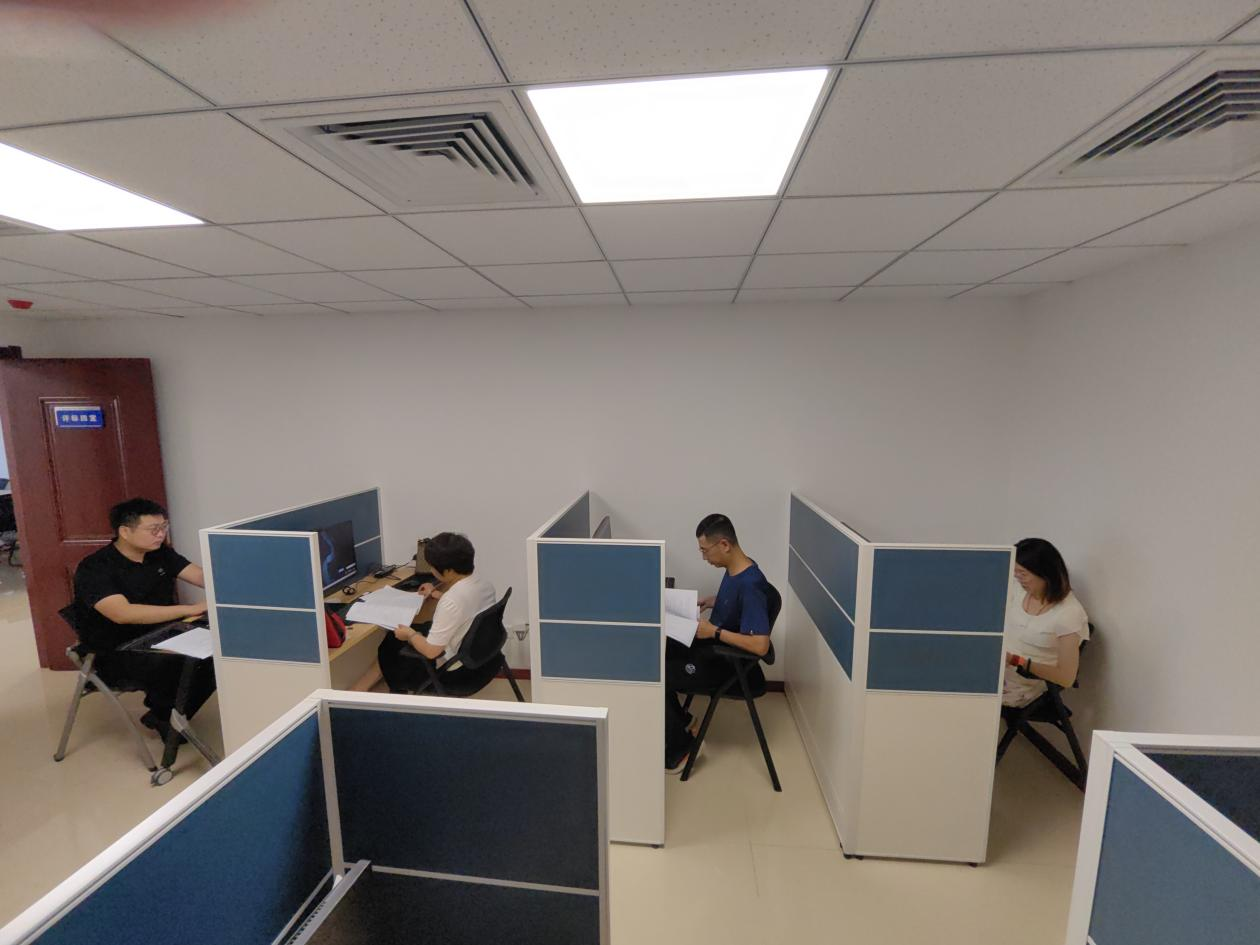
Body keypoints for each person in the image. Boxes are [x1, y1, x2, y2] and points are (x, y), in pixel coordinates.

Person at [73, 498, 216, 741]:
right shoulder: (95, 567)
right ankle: (165, 714)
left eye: (164, 527)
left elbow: (202, 577)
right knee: (184, 663)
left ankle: (166, 714)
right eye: (153, 529)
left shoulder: (160, 554)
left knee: (218, 653)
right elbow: (122, 614)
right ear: (125, 531)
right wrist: (190, 608)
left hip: (164, 633)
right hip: (117, 649)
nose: (161, 535)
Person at [664, 514, 772, 772]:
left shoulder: (751, 585)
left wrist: (714, 632)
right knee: (661, 652)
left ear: (724, 544)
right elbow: (737, 605)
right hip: (713, 649)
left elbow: (761, 646)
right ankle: (683, 721)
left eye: (705, 550)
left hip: (727, 664)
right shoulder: (739, 568)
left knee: (658, 674)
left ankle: (681, 750)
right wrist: (714, 600)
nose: (704, 557)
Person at [352, 532, 496, 693]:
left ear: (448, 571)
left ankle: (375, 690)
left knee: (392, 643)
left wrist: (410, 634)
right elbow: (465, 605)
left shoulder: (451, 601)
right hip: (482, 658)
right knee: (398, 638)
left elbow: (431, 651)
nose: (431, 570)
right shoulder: (484, 585)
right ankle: (362, 687)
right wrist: (437, 594)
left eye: (432, 567)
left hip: (455, 669)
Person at [1003, 537, 1089, 708]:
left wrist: (1016, 661)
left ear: (1045, 574)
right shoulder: (1019, 590)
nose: (1018, 578)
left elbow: (1066, 677)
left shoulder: (1069, 614)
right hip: (1001, 669)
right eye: (1015, 572)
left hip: (1025, 682)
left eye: (1023, 574)